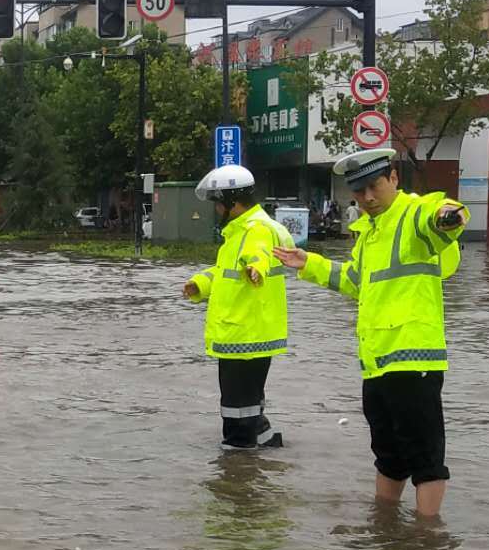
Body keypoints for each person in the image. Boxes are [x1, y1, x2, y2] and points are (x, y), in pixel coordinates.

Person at [272, 148, 465, 518]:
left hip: (414, 358)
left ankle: (426, 540)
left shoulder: (413, 215)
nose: (368, 198)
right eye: (358, 193)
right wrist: (307, 262)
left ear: (394, 179)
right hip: (376, 361)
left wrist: (447, 217)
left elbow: (441, 214)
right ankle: (385, 527)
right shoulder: (370, 234)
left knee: (425, 457)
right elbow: (356, 281)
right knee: (388, 455)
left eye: (374, 187)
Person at [181, 164, 293, 449]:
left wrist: (257, 268)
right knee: (249, 403)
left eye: (218, 203)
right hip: (250, 333)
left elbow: (258, 255)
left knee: (236, 411)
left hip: (244, 334)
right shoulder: (240, 233)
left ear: (232, 202)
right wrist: (200, 284)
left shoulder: (255, 230)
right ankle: (266, 445)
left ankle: (237, 475)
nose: (217, 210)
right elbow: (224, 272)